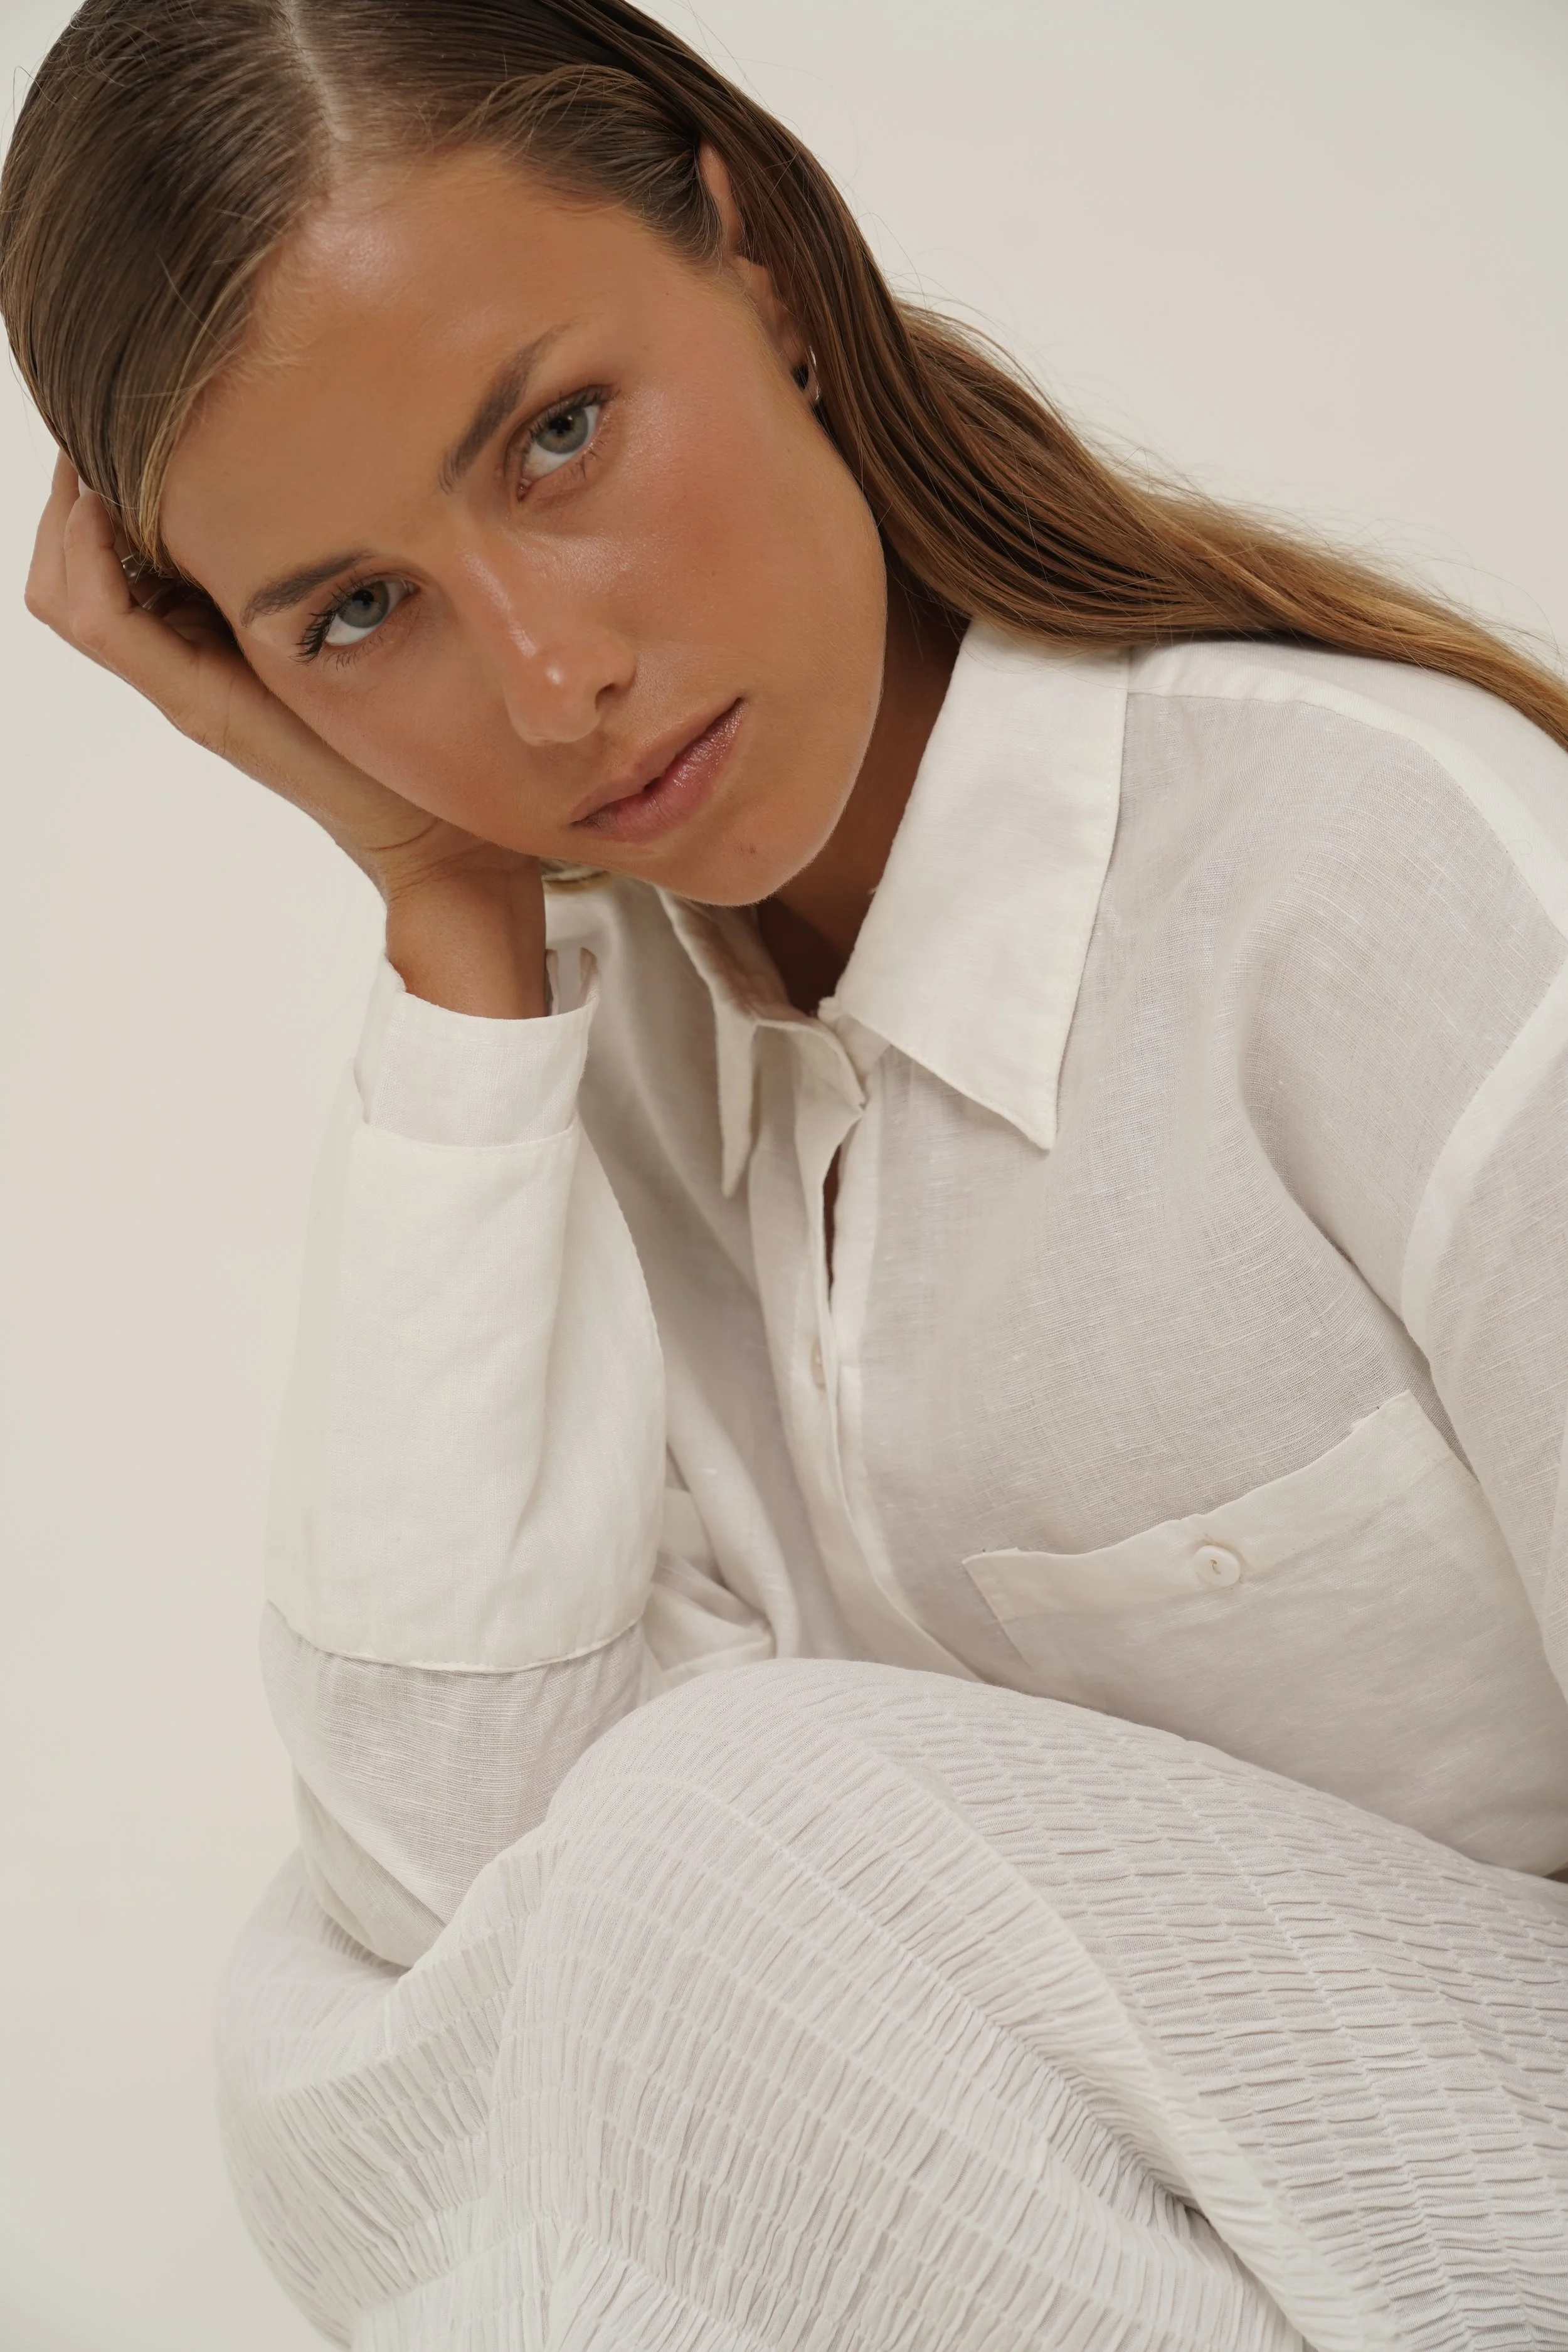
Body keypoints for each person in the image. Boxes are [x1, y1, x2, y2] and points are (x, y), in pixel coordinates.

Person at [6, 1, 1568, 2342]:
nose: (546, 686)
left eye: (554, 436)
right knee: (319, 2031)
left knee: (726, 1853)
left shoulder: (1380, 886)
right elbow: (440, 1880)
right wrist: (442, 908)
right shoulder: (620, 1049)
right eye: (353, 613)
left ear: (754, 267)